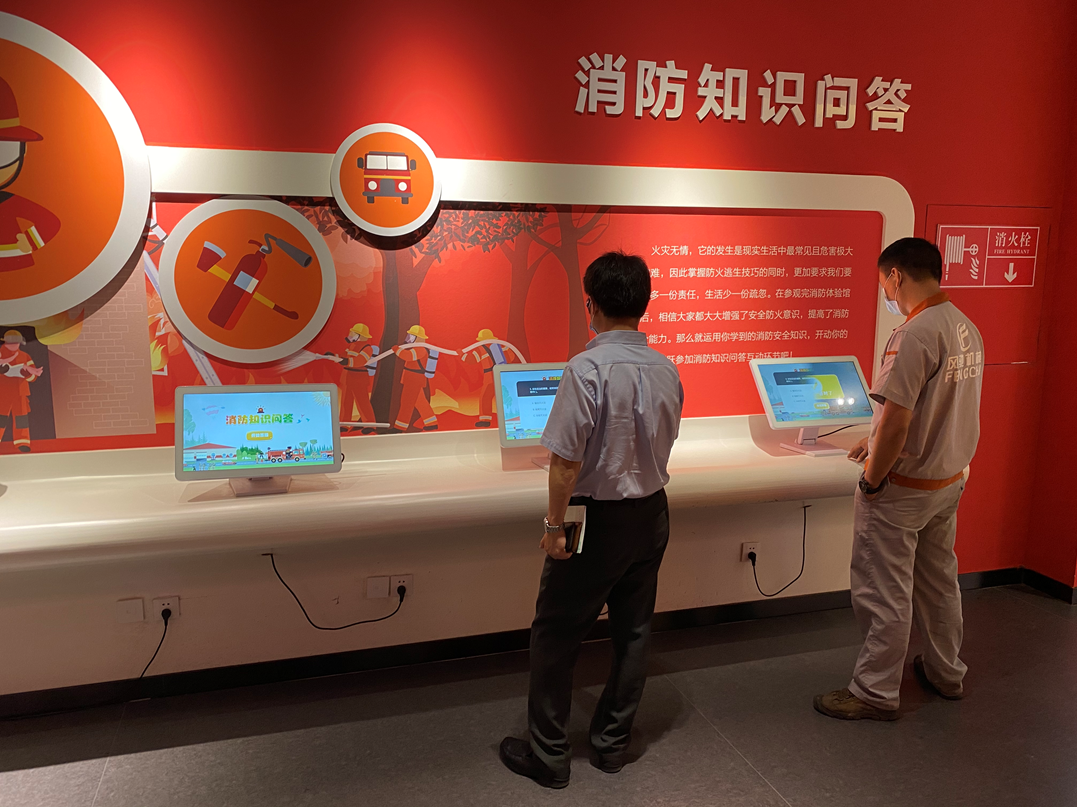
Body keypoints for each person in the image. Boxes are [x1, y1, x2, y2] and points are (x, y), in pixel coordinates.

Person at [499, 251, 683, 788]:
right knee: (634, 631)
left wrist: (554, 527)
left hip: (595, 520)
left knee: (555, 635)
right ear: (643, 304)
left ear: (591, 305)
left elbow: (565, 461)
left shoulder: (586, 369)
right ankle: (611, 746)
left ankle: (549, 756)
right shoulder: (666, 368)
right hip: (651, 513)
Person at [814, 237, 984, 722]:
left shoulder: (912, 335)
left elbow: (897, 421)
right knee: (938, 583)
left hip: (904, 489)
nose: (885, 292)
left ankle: (874, 691)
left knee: (882, 590)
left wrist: (872, 479)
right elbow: (935, 407)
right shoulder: (964, 326)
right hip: (947, 481)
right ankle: (946, 672)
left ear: (895, 276)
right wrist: (875, 438)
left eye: (883, 283)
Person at [0, 77, 60, 271]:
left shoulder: (12, 202)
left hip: (13, 263)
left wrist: (30, 241)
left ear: (23, 151)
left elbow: (50, 222)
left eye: (3, 153)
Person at [0, 329, 42, 452]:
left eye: (16, 343)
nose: (14, 345)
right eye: (11, 343)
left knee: (21, 418)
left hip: (20, 393)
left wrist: (27, 374)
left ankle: (22, 441)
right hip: (3, 393)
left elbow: (33, 377)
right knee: (1, 417)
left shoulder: (25, 356)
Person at [332, 322, 378, 433]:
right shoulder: (351, 346)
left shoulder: (367, 348)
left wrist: (346, 361)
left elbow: (360, 361)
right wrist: (334, 356)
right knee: (345, 402)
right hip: (347, 377)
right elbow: (344, 356)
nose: (351, 335)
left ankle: (369, 425)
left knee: (362, 402)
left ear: (360, 335)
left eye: (354, 333)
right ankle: (344, 424)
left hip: (359, 378)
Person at [393, 325, 439, 432]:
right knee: (420, 402)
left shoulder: (420, 350)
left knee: (406, 403)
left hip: (413, 380)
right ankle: (432, 423)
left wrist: (396, 350)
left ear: (417, 337)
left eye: (411, 336)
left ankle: (400, 427)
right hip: (413, 379)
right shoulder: (418, 349)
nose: (409, 338)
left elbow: (408, 356)